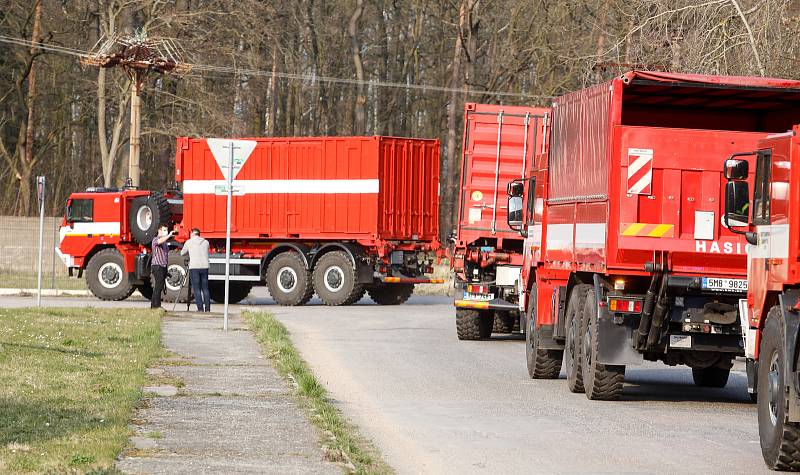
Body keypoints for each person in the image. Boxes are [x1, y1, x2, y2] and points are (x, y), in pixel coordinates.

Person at [181, 227, 211, 312]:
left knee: (197, 289)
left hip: (194, 267)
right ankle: (208, 309)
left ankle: (200, 309)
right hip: (205, 266)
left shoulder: (189, 242)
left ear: (193, 234)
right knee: (205, 288)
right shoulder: (206, 242)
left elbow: (182, 253)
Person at [151, 224, 174, 308]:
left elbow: (165, 256)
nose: (166, 232)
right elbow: (159, 241)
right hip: (157, 266)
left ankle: (154, 306)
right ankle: (156, 306)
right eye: (164, 230)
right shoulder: (155, 239)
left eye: (166, 230)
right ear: (159, 231)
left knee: (159, 287)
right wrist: (169, 235)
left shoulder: (165, 243)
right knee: (158, 286)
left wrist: (166, 270)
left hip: (163, 267)